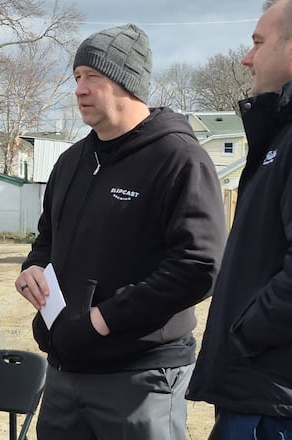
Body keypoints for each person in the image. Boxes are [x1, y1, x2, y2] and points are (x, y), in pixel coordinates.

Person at [14, 24, 226, 439]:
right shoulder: (71, 161)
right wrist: (33, 267)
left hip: (140, 377)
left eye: (93, 77)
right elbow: (47, 239)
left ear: (129, 83)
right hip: (64, 371)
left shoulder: (179, 159)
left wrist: (105, 319)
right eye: (77, 78)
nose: (79, 89)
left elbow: (200, 266)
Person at [186, 1, 292, 437]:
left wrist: (243, 332)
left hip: (271, 404)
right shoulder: (279, 134)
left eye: (258, 43)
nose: (246, 58)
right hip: (257, 393)